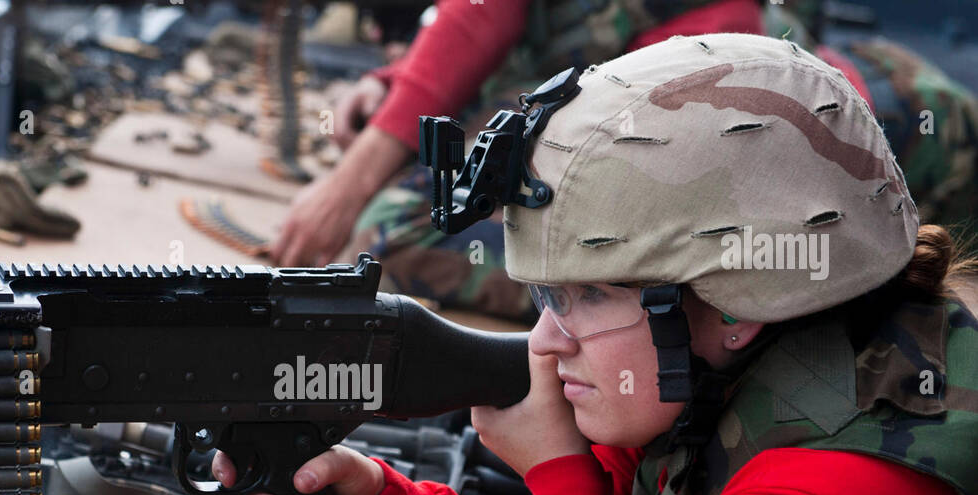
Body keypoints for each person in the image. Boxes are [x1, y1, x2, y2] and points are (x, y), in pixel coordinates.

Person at [215, 33, 978, 495]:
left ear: (740, 302)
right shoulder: (709, 376)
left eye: (587, 296)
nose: (546, 339)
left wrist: (565, 483)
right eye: (547, 295)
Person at [275, 0, 978, 326]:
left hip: (919, 141)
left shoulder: (693, 55)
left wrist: (369, 168)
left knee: (396, 234)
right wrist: (401, 84)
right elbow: (488, 21)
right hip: (840, 111)